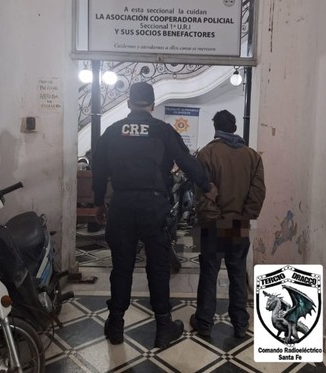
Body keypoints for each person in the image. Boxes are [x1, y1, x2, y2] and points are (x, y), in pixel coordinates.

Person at [91, 82, 217, 349]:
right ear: (152, 104)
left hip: (122, 205)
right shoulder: (162, 130)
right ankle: (163, 327)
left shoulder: (113, 131)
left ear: (128, 103)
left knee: (121, 267)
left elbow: (98, 170)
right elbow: (186, 161)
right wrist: (207, 186)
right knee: (158, 267)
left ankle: (116, 325)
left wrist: (98, 203)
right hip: (154, 206)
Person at [189, 110, 266, 338]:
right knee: (238, 273)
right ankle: (240, 324)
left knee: (209, 273)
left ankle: (204, 322)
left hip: (213, 224)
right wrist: (243, 217)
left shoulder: (207, 153)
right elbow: (258, 193)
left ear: (216, 128)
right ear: (234, 128)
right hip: (238, 224)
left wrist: (214, 217)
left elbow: (202, 192)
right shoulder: (252, 156)